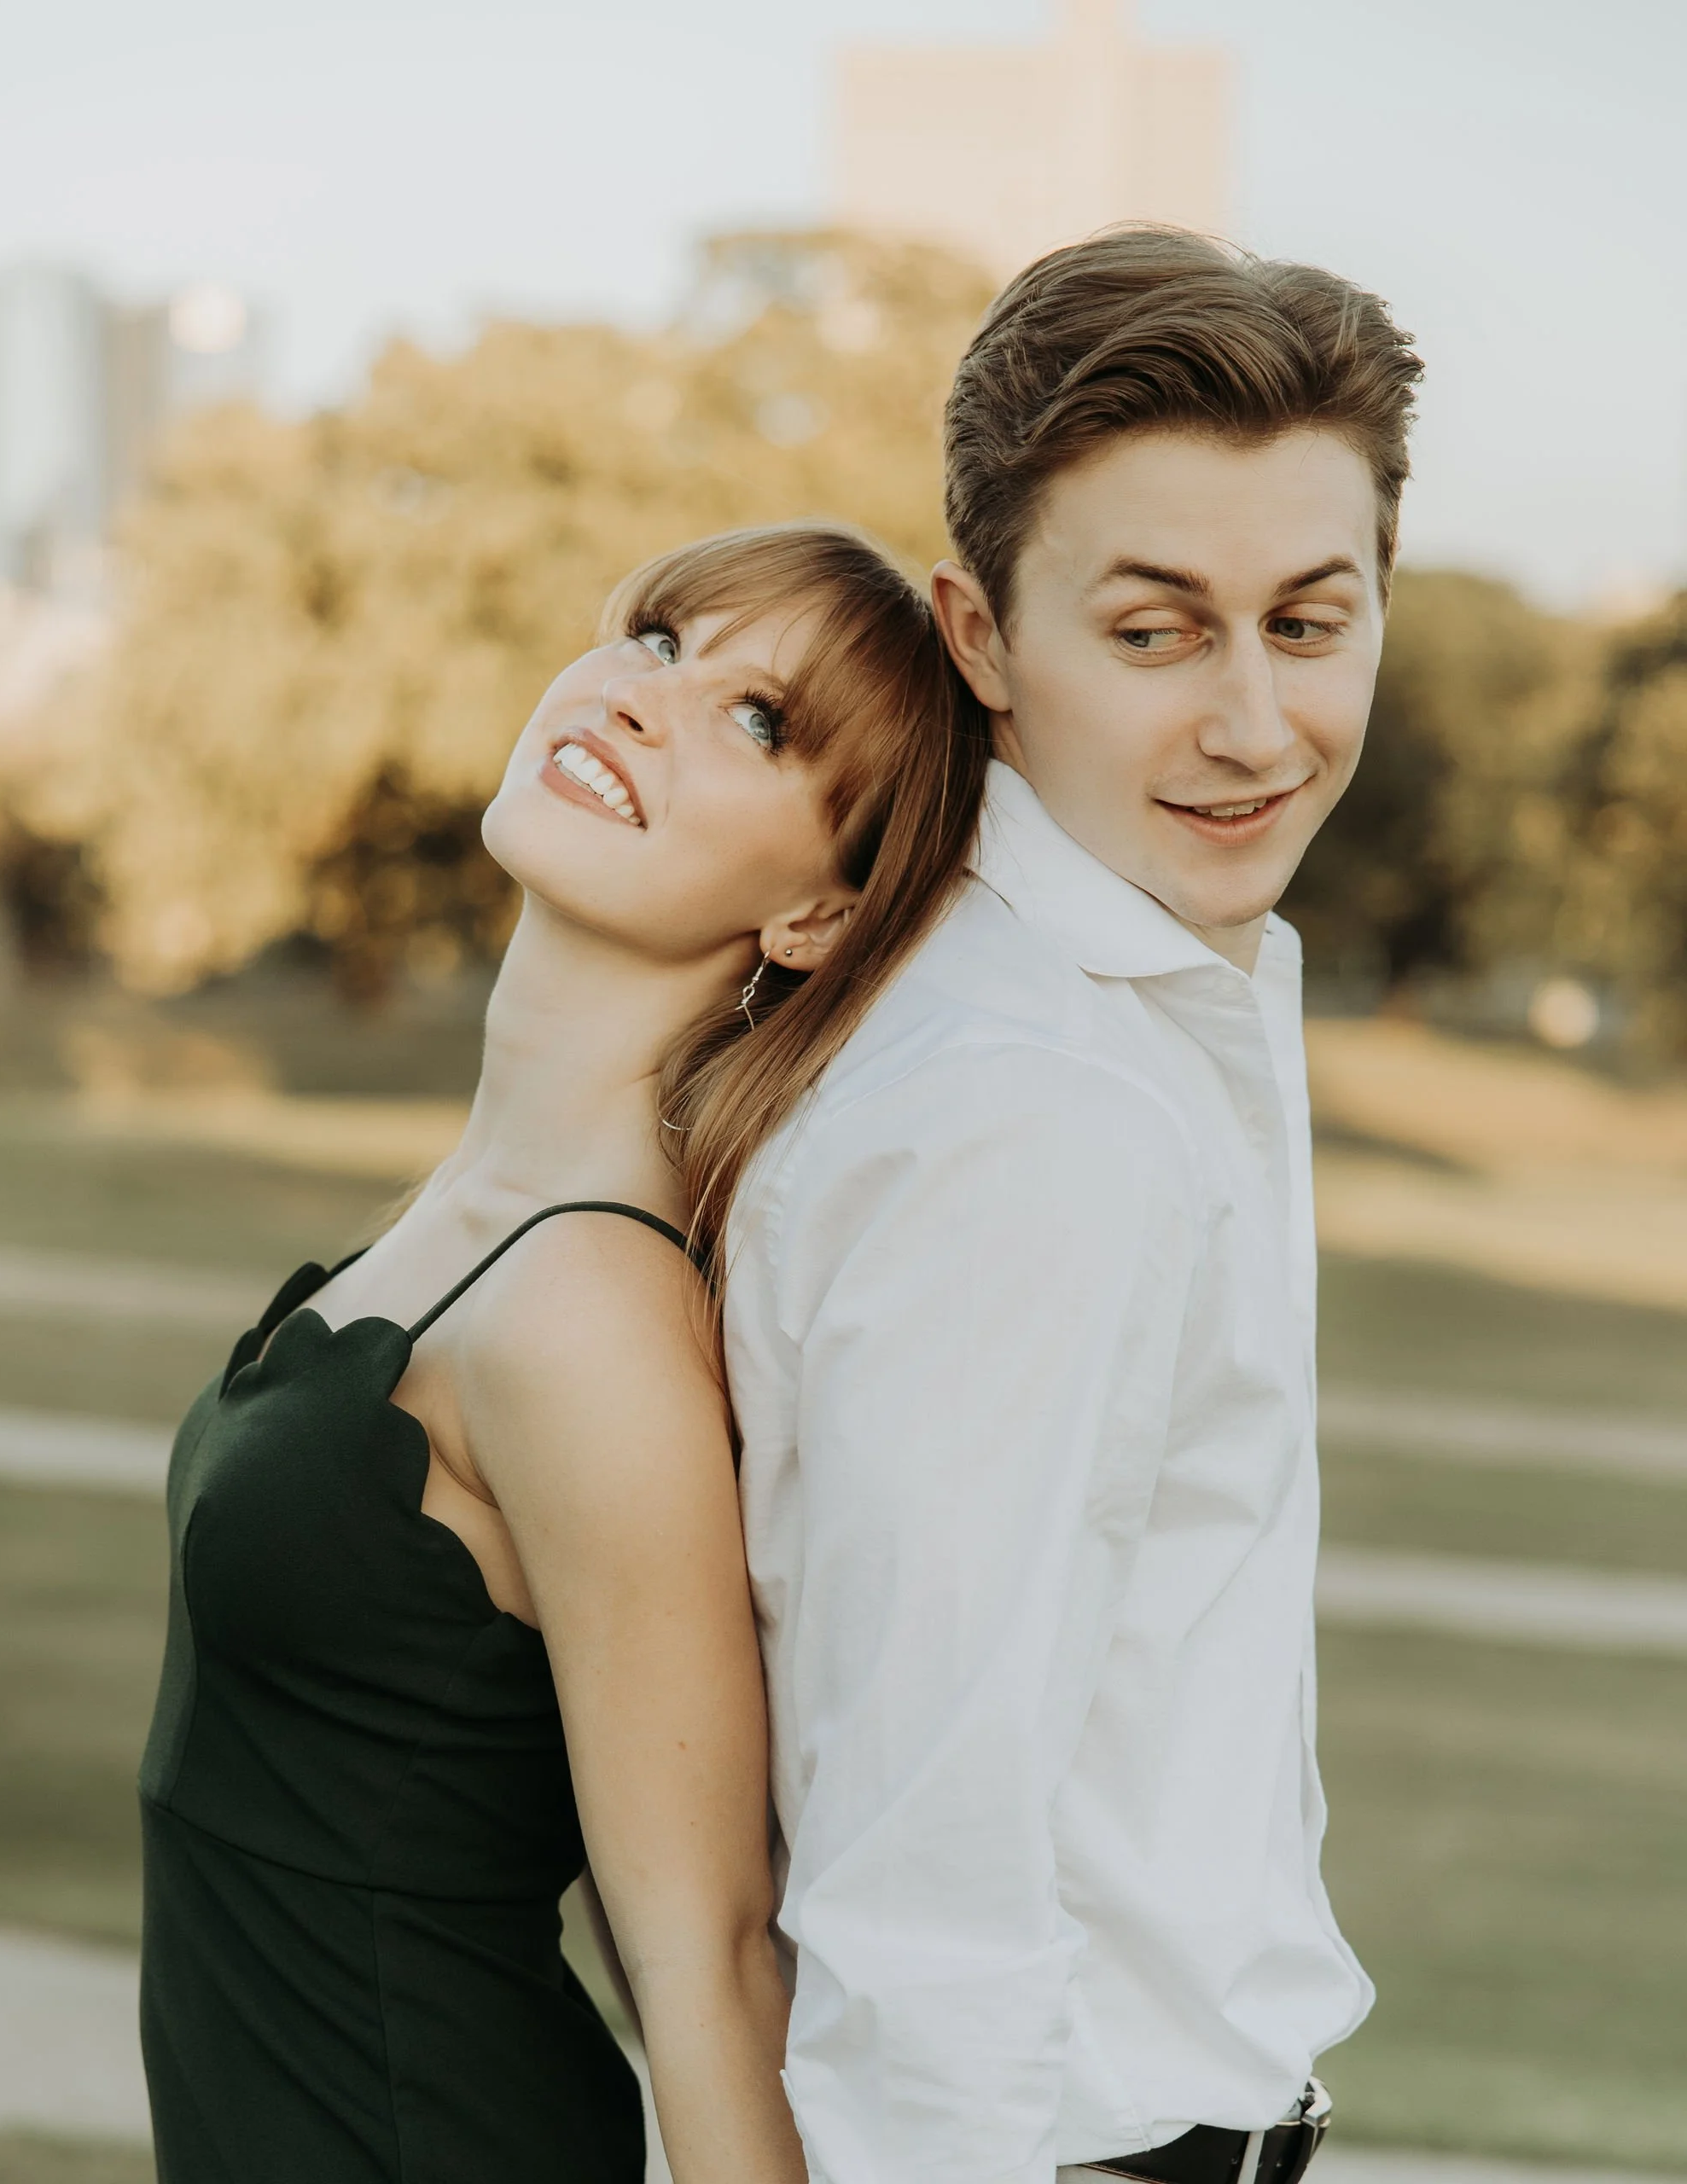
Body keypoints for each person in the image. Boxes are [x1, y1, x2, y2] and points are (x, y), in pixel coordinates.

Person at [137, 520, 991, 2184]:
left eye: (762, 720)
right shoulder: (475, 1215)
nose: (644, 699)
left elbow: (706, 1959)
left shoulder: (588, 1317)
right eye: (662, 639)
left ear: (820, 908)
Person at [724, 228, 1425, 2184]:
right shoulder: (1032, 1105)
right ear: (974, 635)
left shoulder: (1141, 995)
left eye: (1307, 621)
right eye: (1150, 631)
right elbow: (920, 1843)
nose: (1251, 726)